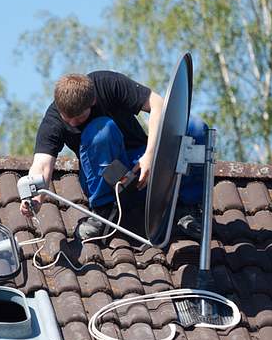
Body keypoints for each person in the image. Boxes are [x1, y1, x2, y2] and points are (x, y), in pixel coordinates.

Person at [19, 71, 206, 241]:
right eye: (67, 118)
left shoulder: (107, 83)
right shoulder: (53, 121)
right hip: (106, 179)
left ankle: (188, 208)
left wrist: (149, 156)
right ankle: (102, 212)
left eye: (79, 117)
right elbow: (42, 164)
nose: (73, 123)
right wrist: (35, 199)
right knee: (102, 130)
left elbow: (158, 105)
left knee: (193, 127)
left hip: (143, 166)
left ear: (92, 101)